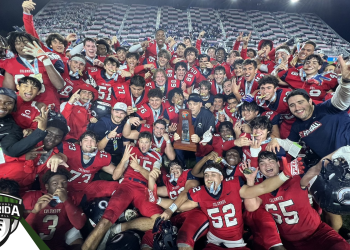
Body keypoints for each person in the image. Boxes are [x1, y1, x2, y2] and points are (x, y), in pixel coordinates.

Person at [159, 160, 303, 250]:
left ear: (221, 177)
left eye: (213, 174)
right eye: (207, 175)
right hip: (213, 243)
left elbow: (262, 188)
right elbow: (182, 206)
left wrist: (285, 174)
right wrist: (158, 202)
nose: (209, 178)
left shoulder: (234, 185)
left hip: (237, 243)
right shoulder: (200, 192)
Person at [243, 151, 350, 250]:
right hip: (291, 241)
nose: (267, 165)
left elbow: (316, 169)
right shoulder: (259, 188)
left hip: (317, 232)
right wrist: (250, 180)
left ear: (278, 164)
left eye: (271, 161)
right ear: (259, 168)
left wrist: (341, 151)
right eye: (262, 163)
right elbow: (251, 206)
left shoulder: (295, 178)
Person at [82, 133, 163, 250]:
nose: (143, 145)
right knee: (106, 219)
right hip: (127, 185)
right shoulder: (131, 149)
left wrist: (138, 167)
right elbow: (115, 176)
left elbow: (152, 178)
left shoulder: (157, 155)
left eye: (146, 142)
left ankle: (118, 228)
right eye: (141, 142)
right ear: (138, 142)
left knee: (158, 221)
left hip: (143, 188)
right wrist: (124, 159)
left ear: (151, 143)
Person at [143, 160, 208, 250]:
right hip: (176, 215)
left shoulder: (188, 175)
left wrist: (170, 209)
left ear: (183, 169)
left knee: (183, 240)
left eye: (177, 167)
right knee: (149, 237)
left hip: (194, 212)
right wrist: (151, 178)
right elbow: (152, 194)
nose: (174, 170)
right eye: (171, 168)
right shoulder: (169, 185)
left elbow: (186, 194)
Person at [23, 168, 86, 250]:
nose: (60, 186)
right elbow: (23, 233)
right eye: (55, 183)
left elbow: (79, 225)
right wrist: (35, 211)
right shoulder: (33, 197)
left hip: (62, 237)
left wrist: (66, 201)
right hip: (37, 237)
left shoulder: (73, 197)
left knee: (79, 245)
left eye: (64, 182)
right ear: (47, 186)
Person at [3, 32, 65, 108]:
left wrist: (45, 59)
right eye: (18, 43)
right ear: (14, 46)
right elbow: (8, 93)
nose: (22, 45)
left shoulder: (48, 59)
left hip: (49, 106)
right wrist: (34, 103)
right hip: (22, 109)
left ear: (33, 43)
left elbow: (59, 86)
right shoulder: (10, 63)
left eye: (26, 42)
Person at [0, 87, 48, 157]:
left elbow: (11, 150)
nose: (2, 106)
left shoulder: (11, 128)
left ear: (14, 107)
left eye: (8, 103)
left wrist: (40, 131)